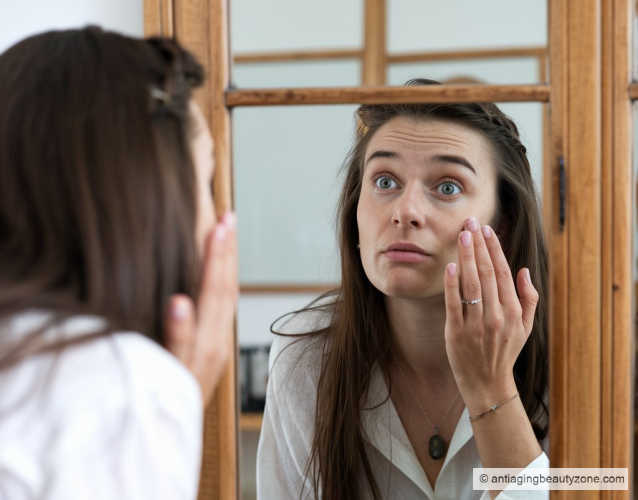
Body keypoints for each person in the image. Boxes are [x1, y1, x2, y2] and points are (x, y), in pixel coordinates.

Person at [257, 79, 549, 500]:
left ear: (501, 226)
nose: (405, 211)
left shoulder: (570, 363)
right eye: (385, 182)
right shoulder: (305, 357)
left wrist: (492, 390)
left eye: (447, 187)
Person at [0, 26, 238, 499]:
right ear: (148, 198)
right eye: (207, 184)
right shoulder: (122, 389)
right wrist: (173, 398)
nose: (219, 220)